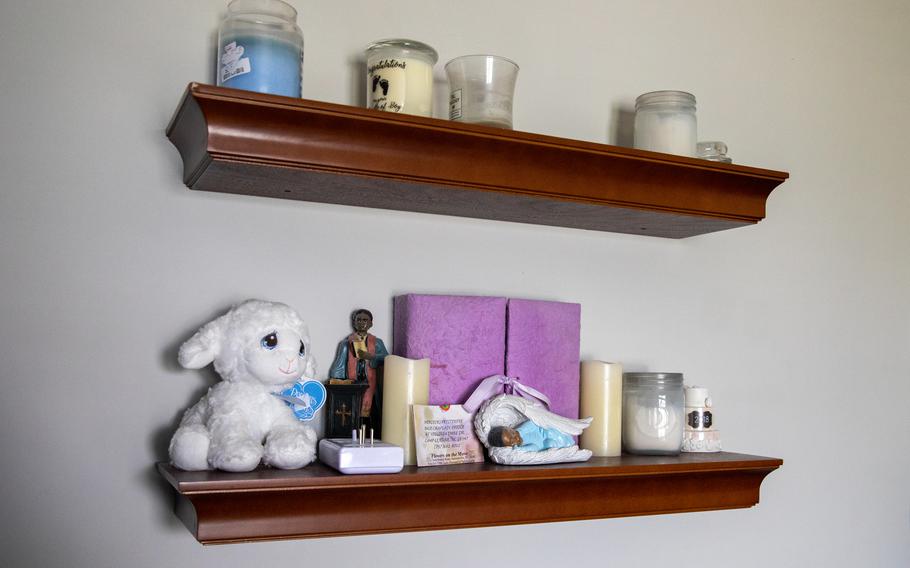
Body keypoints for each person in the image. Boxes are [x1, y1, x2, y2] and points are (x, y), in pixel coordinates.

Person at [329, 309, 388, 416]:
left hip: (371, 384)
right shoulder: (346, 343)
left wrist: (370, 357)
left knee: (372, 414)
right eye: (359, 320)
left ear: (371, 323)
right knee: (353, 412)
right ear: (354, 322)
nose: (362, 322)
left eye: (365, 320)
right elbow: (340, 364)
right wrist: (337, 380)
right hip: (354, 384)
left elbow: (387, 359)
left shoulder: (377, 343)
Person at [488, 420, 576, 452]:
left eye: (512, 433)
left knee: (550, 433)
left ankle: (568, 441)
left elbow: (533, 423)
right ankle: (568, 445)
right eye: (512, 441)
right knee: (551, 444)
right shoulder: (520, 445)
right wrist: (522, 449)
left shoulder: (521, 430)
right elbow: (535, 447)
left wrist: (520, 432)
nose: (515, 438)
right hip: (545, 444)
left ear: (510, 428)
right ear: (508, 446)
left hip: (545, 432)